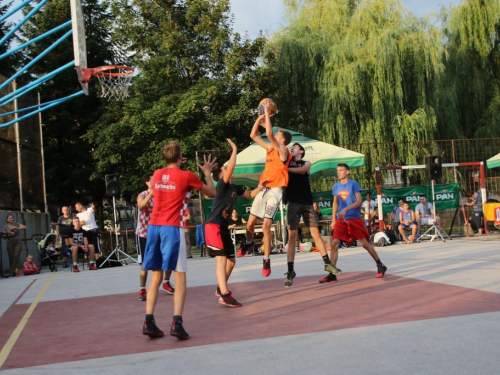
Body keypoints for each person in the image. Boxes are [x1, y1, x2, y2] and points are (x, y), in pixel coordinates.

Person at [141, 141, 216, 340]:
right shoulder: (187, 176)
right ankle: (177, 323)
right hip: (172, 227)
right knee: (180, 276)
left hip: (154, 227)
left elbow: (159, 193)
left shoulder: (157, 174)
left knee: (156, 275)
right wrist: (207, 172)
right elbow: (212, 193)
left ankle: (148, 321)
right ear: (181, 157)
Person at [205, 138, 266, 307]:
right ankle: (224, 294)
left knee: (231, 261)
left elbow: (250, 195)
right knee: (221, 260)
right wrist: (234, 149)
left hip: (223, 227)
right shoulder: (223, 186)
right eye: (224, 169)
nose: (227, 168)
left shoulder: (234, 187)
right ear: (221, 176)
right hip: (214, 226)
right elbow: (231, 166)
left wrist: (261, 185)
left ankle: (220, 287)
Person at [237, 99, 292, 278]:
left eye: (278, 134)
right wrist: (260, 117)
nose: (275, 134)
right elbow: (253, 135)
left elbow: (268, 133)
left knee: (266, 225)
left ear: (282, 140)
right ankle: (248, 242)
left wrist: (267, 113)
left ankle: (266, 259)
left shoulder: (284, 152)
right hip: (263, 189)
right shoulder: (270, 149)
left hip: (275, 191)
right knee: (251, 223)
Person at [284, 143, 341, 287]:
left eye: (295, 147)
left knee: (315, 234)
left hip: (307, 202)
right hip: (292, 202)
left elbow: (303, 170)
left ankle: (327, 263)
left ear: (301, 151)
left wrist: (284, 169)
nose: (292, 148)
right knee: (292, 237)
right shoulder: (286, 160)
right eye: (291, 147)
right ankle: (290, 271)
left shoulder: (306, 163)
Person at [324, 163, 387, 284]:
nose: (339, 172)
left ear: (347, 172)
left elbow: (359, 201)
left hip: (354, 218)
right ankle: (332, 274)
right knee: (335, 243)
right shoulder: (336, 186)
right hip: (341, 220)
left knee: (364, 244)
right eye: (337, 170)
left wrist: (346, 209)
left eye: (341, 170)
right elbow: (335, 203)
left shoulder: (353, 184)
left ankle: (380, 265)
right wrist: (333, 219)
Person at [136, 172, 175, 302]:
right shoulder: (143, 194)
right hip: (145, 233)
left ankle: (166, 282)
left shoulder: (162, 195)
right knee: (145, 263)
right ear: (147, 182)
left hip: (161, 232)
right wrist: (151, 194)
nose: (156, 182)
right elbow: (141, 206)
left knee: (168, 258)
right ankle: (142, 288)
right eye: (153, 180)